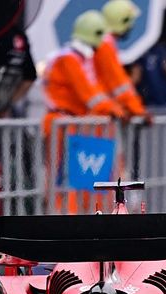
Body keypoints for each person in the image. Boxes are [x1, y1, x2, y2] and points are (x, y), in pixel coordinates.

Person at [41, 10, 125, 211]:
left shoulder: (74, 57)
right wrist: (113, 110)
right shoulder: (69, 59)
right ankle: (61, 219)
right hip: (61, 124)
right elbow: (88, 94)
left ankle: (69, 216)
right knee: (62, 177)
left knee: (70, 177)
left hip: (68, 124)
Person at [96, 0, 149, 120]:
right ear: (122, 21)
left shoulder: (103, 43)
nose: (131, 26)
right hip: (101, 116)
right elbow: (118, 84)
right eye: (129, 21)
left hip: (102, 113)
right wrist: (138, 110)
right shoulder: (105, 46)